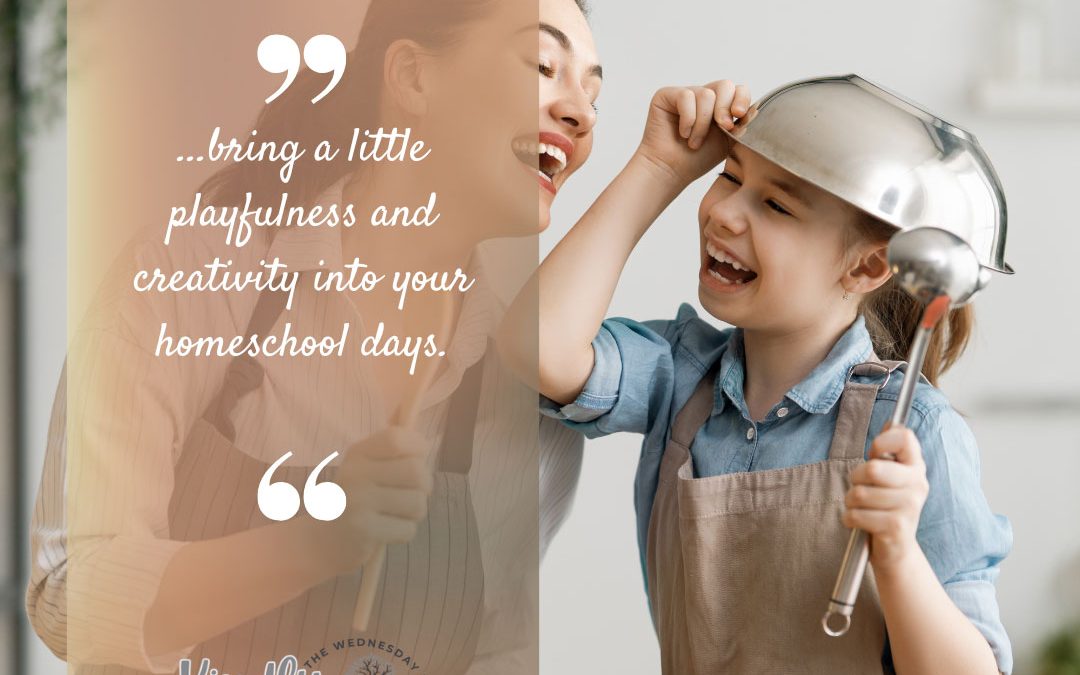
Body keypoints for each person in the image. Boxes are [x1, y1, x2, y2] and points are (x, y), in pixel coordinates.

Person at [26, 0, 601, 673]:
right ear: (413, 77)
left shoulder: (524, 403)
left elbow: (495, 654)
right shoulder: (186, 279)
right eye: (543, 65)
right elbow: (69, 594)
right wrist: (309, 543)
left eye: (593, 90)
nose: (581, 112)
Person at [501, 79, 1013, 673]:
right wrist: (659, 166)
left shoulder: (916, 431)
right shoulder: (679, 376)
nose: (723, 212)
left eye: (776, 205)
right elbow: (534, 348)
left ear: (869, 264)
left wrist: (896, 554)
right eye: (729, 176)